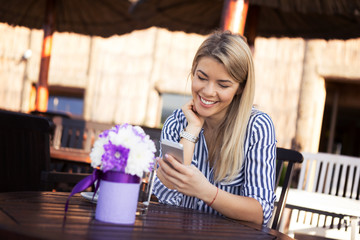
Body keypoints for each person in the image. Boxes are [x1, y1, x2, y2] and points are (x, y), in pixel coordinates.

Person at [153, 30, 276, 226]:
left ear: (241, 88)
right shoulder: (177, 121)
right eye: (202, 78)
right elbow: (167, 194)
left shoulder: (256, 126)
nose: (208, 92)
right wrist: (192, 129)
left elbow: (260, 212)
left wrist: (205, 191)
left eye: (223, 85)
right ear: (193, 72)